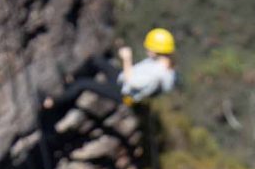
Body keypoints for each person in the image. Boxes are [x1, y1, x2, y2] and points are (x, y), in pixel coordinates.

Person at [42, 27, 177, 113]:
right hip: (121, 79)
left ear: (158, 50)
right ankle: (71, 80)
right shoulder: (160, 64)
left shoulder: (158, 74)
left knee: (84, 84)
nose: (147, 50)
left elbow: (132, 82)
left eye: (149, 48)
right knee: (96, 60)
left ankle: (52, 102)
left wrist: (126, 59)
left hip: (123, 93)